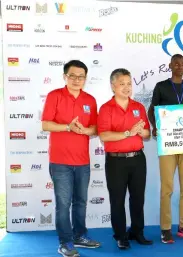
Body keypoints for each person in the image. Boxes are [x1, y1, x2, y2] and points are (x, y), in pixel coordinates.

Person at [42, 60, 100, 257]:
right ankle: (65, 242)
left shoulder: (90, 100)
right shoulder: (55, 96)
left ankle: (80, 236)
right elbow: (46, 125)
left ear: (85, 78)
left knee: (81, 202)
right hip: (60, 162)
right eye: (72, 76)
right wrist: (68, 127)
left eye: (81, 76)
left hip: (83, 161)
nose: (77, 80)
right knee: (63, 204)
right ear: (64, 76)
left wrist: (85, 130)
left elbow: (95, 128)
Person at [97, 68, 153, 250]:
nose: (127, 87)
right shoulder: (106, 108)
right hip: (116, 162)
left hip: (137, 159)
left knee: (138, 198)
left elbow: (147, 134)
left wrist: (140, 131)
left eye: (129, 83)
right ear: (113, 86)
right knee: (117, 199)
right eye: (122, 84)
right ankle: (120, 236)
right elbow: (104, 136)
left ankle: (137, 232)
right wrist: (129, 133)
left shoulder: (138, 107)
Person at [148, 54, 183, 243]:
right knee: (167, 187)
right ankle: (165, 228)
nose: (179, 66)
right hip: (168, 143)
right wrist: (155, 127)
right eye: (176, 63)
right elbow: (152, 109)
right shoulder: (161, 86)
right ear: (170, 65)